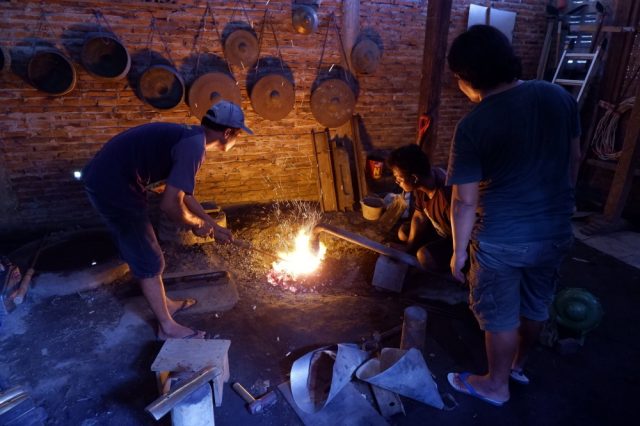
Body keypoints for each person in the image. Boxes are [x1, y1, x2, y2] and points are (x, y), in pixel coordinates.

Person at [445, 25, 581, 406]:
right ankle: (519, 366)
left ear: (468, 78)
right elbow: (574, 160)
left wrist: (458, 253)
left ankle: (495, 385)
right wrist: (560, 207)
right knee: (536, 305)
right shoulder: (558, 96)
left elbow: (464, 202)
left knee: (500, 315)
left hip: (502, 239)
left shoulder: (473, 126)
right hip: (554, 231)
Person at [82, 101, 253, 340]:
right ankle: (167, 327)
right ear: (227, 133)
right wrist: (195, 224)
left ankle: (167, 305)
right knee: (149, 259)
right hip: (113, 187)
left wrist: (212, 226)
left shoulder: (191, 137)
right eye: (238, 135)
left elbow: (184, 194)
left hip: (115, 179)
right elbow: (169, 204)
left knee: (150, 256)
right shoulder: (194, 148)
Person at [387, 144, 453, 272]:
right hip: (439, 228)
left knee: (424, 256)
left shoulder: (447, 196)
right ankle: (417, 249)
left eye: (399, 179)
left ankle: (448, 269)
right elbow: (419, 216)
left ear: (414, 178)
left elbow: (466, 235)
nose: (396, 182)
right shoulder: (422, 183)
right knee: (403, 232)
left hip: (456, 238)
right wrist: (409, 247)